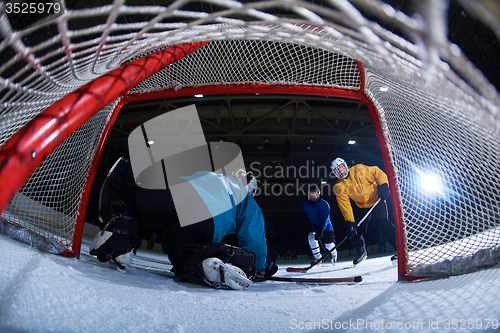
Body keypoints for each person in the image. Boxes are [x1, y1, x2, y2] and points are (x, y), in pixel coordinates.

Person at [90, 157, 277, 289]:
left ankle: (120, 239)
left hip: (175, 195)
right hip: (203, 221)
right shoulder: (246, 199)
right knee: (186, 264)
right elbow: (253, 236)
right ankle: (199, 267)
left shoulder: (211, 176)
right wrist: (258, 267)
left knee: (130, 194)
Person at [330, 157, 397, 265]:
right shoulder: (339, 187)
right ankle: (361, 253)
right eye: (337, 170)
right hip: (362, 206)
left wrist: (383, 185)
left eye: (341, 167)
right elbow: (345, 206)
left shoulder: (359, 169)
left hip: (377, 200)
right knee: (353, 231)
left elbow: (377, 172)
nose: (341, 171)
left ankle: (400, 248)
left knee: (382, 223)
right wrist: (350, 221)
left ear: (345, 165)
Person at [301, 184, 337, 265]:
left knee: (328, 245)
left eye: (315, 193)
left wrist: (321, 229)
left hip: (326, 228)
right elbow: (304, 213)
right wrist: (306, 219)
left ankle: (334, 254)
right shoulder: (305, 204)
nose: (313, 195)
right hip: (315, 226)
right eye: (311, 193)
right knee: (311, 238)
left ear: (318, 193)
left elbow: (324, 219)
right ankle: (318, 259)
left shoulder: (324, 204)